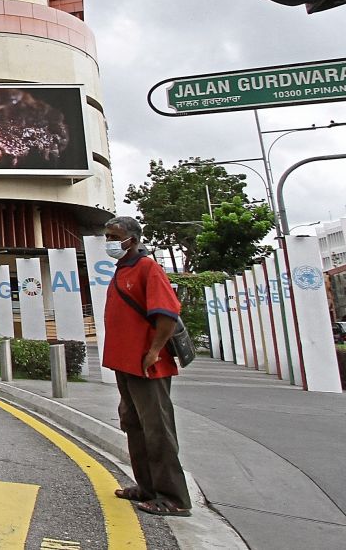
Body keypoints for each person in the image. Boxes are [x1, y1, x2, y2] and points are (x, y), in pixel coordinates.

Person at [102, 216, 191, 517]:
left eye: (115, 237)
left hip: (146, 364)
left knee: (157, 430)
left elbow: (166, 313)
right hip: (124, 363)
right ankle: (147, 487)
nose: (110, 242)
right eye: (107, 237)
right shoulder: (122, 270)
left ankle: (173, 497)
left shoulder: (147, 268)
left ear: (133, 239)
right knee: (133, 424)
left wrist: (154, 351)